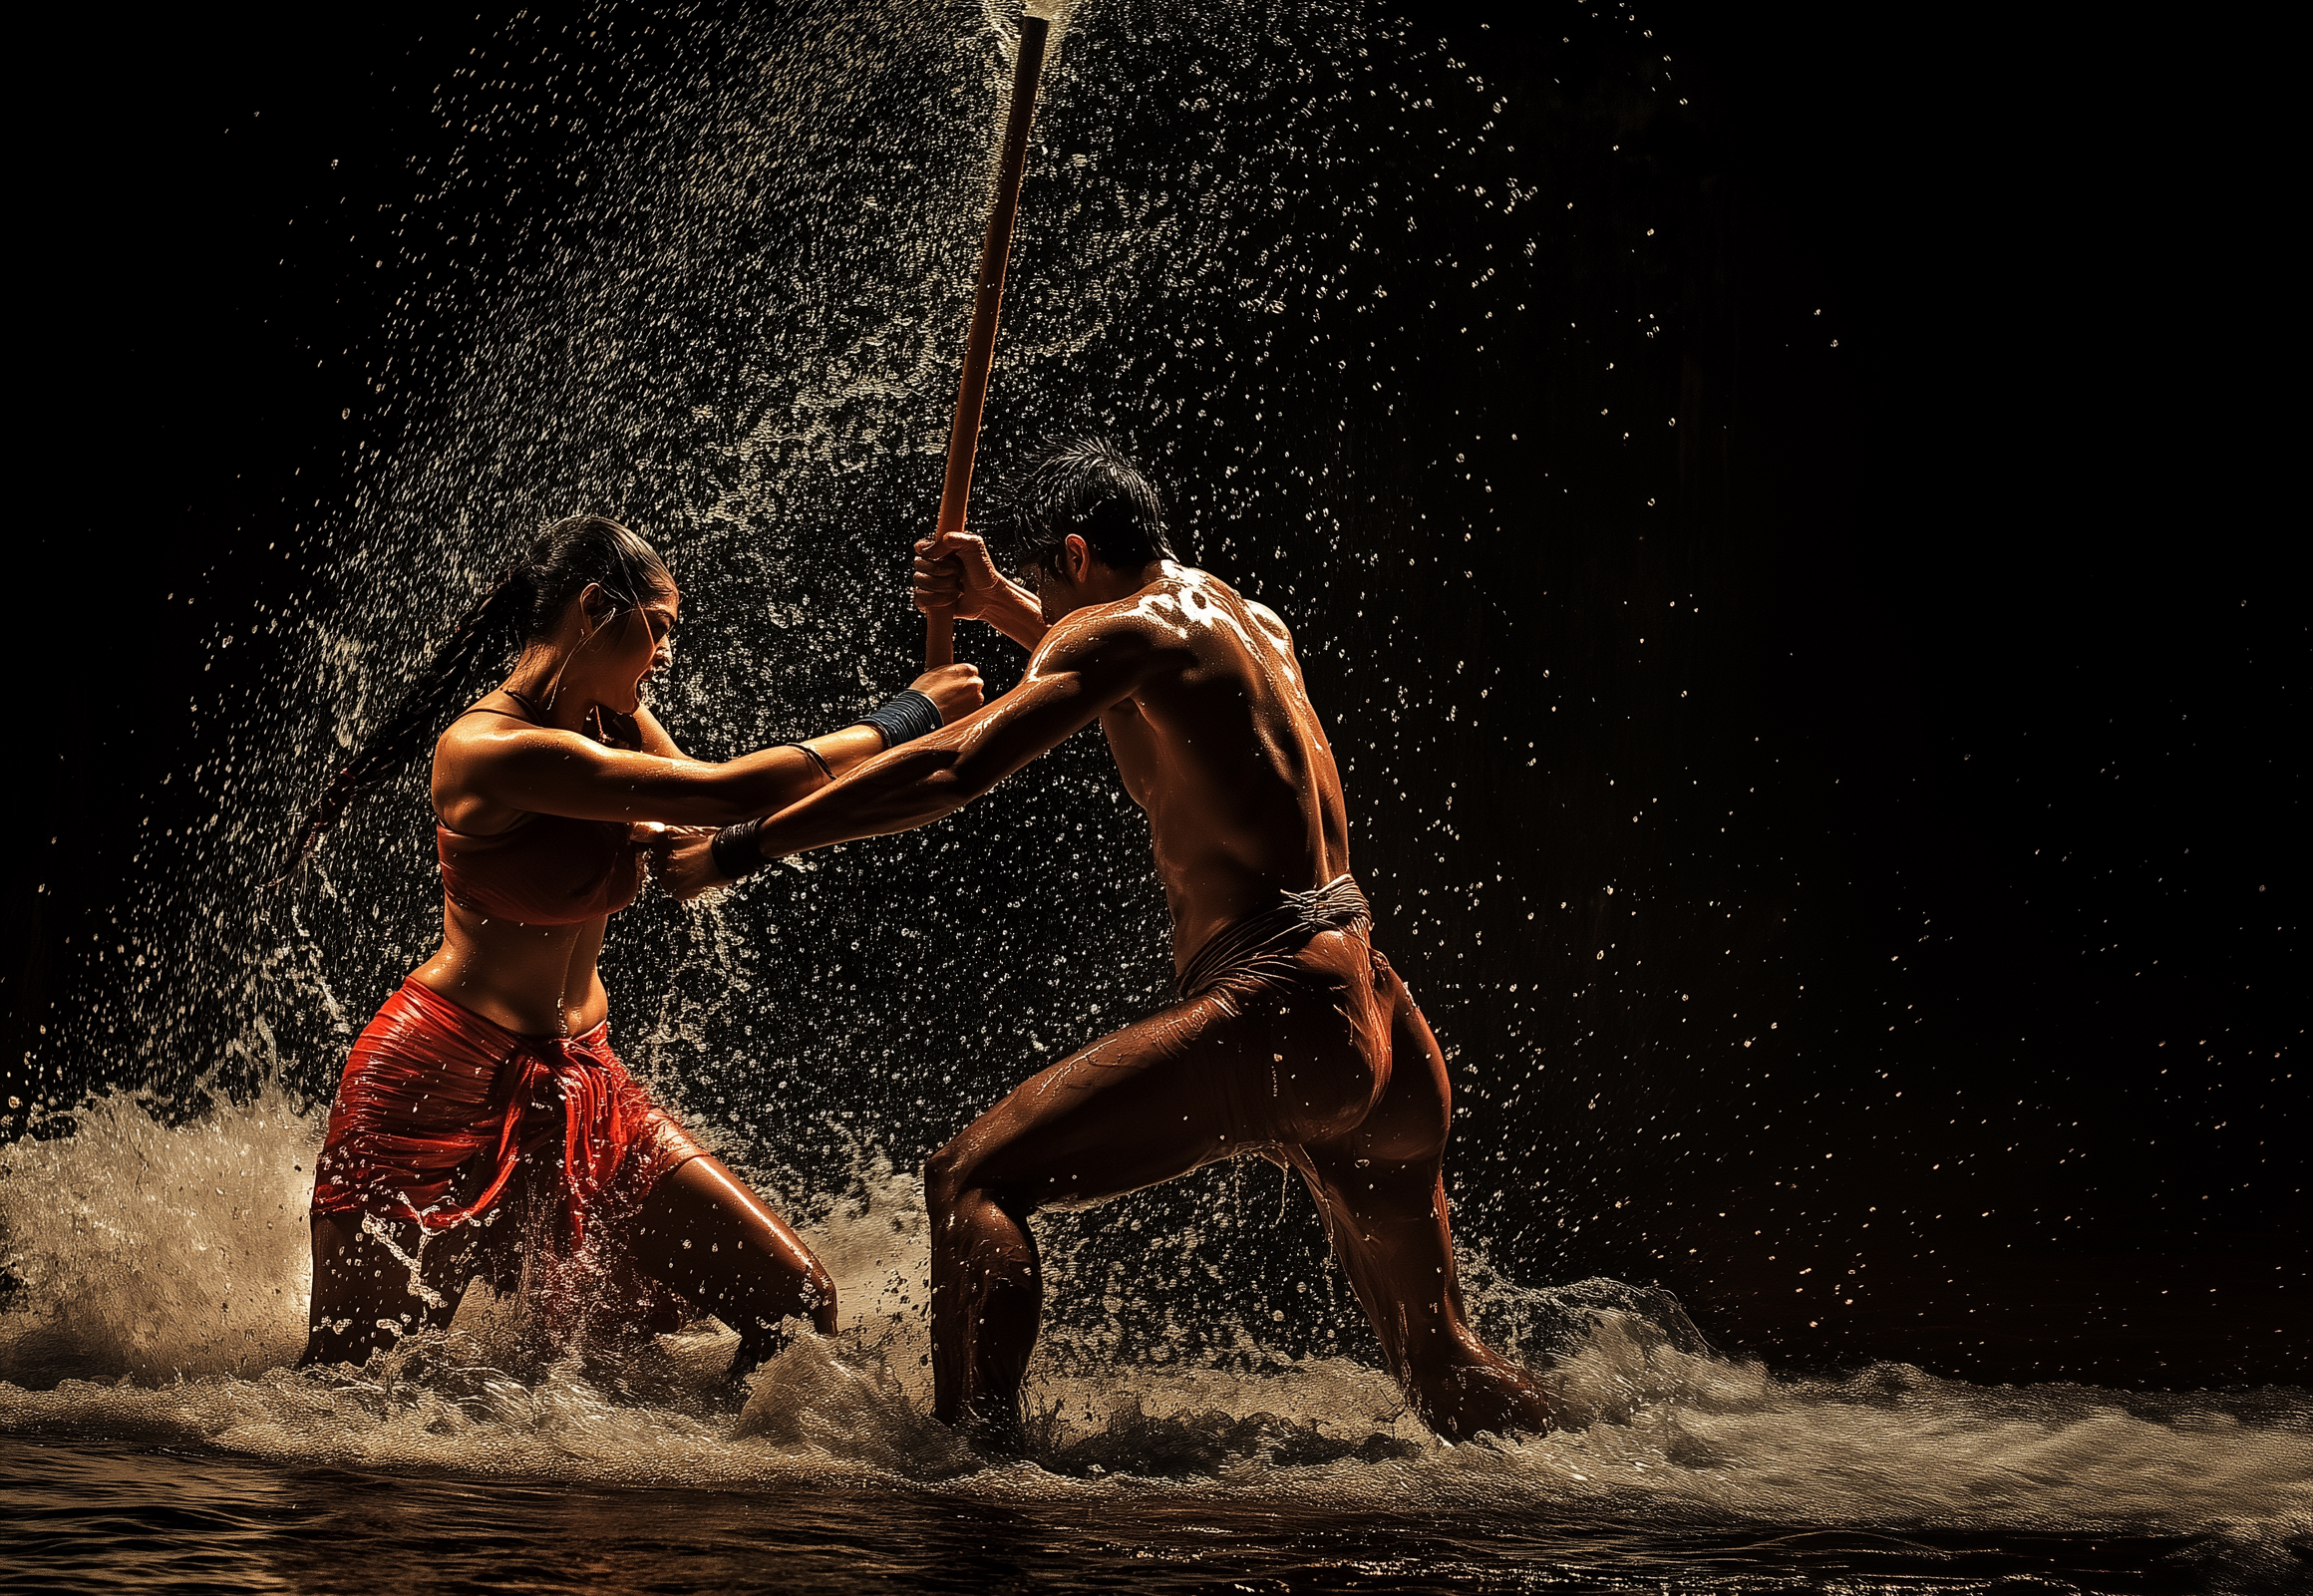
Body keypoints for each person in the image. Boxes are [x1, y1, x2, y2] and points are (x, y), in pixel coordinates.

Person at [666, 442, 1549, 1441]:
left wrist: (738, 846)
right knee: (1443, 1364)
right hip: (1381, 1022)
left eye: (1045, 578)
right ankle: (1596, 1483)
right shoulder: (1245, 620)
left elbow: (956, 765)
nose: (1043, 603)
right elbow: (1115, 661)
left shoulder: (1124, 635)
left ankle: (973, 1491)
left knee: (972, 1179)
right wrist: (1002, 599)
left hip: (1283, 1007)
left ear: (1077, 556)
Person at [280, 514, 983, 1377]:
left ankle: (677, 1502)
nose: (662, 658)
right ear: (592, 610)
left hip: (588, 1081)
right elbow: (731, 789)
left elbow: (727, 811)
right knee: (347, 1388)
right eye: (657, 630)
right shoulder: (487, 750)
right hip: (436, 1080)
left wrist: (720, 849)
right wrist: (912, 713)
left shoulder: (621, 723)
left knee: (797, 1305)